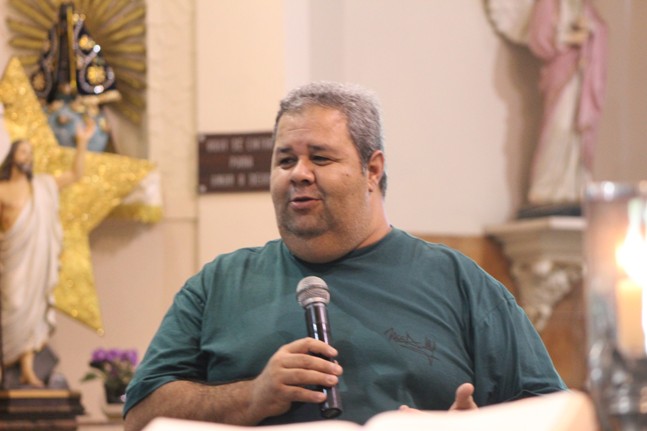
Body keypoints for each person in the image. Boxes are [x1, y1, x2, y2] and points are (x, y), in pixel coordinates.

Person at [123, 82, 566, 430]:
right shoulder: (218, 284)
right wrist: (253, 396)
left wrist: (474, 429)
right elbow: (141, 417)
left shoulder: (459, 282)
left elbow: (556, 415)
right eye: (284, 161)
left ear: (372, 169)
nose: (299, 174)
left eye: (320, 157)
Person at [0, 117, 96, 387]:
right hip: (12, 257)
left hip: (37, 259)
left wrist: (82, 143)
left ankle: (27, 368)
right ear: (11, 156)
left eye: (30, 153)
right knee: (13, 305)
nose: (28, 157)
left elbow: (75, 175)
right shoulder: (2, 190)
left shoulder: (41, 186)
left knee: (33, 310)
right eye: (23, 152)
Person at [526, 0, 607, 208]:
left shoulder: (584, 6)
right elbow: (539, 39)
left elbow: (601, 29)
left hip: (581, 76)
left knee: (577, 132)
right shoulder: (548, 4)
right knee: (559, 127)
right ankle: (546, 188)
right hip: (560, 76)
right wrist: (570, 38)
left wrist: (591, 29)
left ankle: (573, 187)